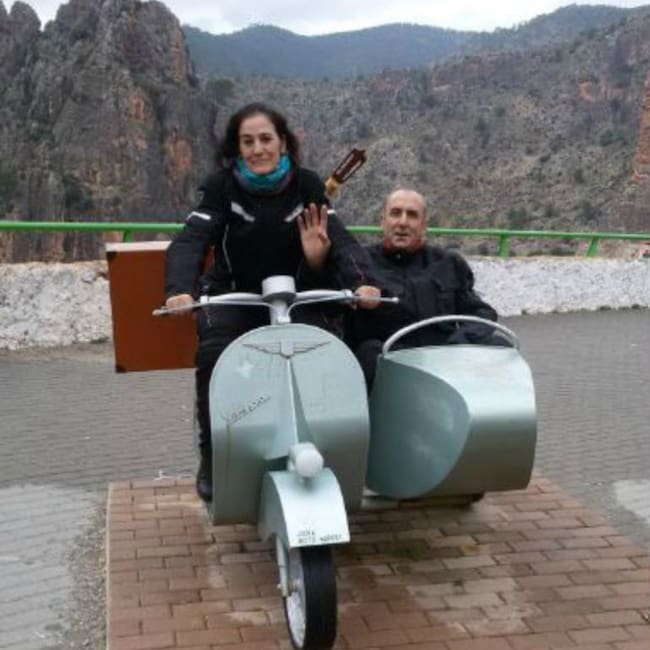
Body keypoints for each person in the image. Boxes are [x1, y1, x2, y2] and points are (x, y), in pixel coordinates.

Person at [164, 102, 380, 502]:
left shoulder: (307, 185)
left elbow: (340, 238)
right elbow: (191, 239)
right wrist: (179, 289)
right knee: (214, 356)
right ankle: (213, 454)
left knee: (325, 353)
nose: (257, 149)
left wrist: (363, 283)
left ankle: (327, 446)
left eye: (265, 139)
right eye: (247, 141)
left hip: (296, 296)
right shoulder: (221, 187)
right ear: (236, 147)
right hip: (235, 296)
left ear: (282, 142)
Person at [346, 188, 500, 389]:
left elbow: (480, 313)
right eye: (395, 213)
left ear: (424, 225)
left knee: (499, 346)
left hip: (443, 364)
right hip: (389, 369)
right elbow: (339, 316)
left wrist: (458, 344)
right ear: (382, 221)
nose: (402, 222)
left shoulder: (448, 263)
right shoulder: (359, 263)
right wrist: (356, 299)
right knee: (369, 352)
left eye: (412, 215)